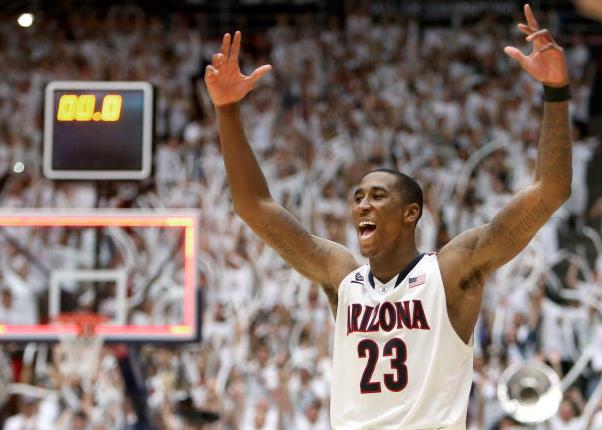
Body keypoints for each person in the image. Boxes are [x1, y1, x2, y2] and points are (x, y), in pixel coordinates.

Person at [204, 4, 572, 429]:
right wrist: (226, 111)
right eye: (358, 197)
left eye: (377, 196)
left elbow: (550, 190)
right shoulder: (342, 277)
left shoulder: (450, 272)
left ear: (411, 213)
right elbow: (255, 207)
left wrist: (556, 92)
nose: (362, 205)